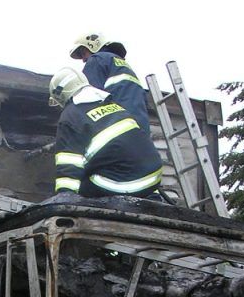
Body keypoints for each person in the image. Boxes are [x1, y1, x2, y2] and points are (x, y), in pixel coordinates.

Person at [49, 66, 162, 199]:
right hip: (153, 178)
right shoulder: (112, 104)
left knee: (82, 187)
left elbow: (68, 163)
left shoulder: (70, 116)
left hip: (124, 184)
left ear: (60, 94)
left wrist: (64, 198)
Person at [69, 32, 151, 134]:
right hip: (141, 128)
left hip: (118, 126)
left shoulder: (96, 60)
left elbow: (89, 96)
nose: (84, 60)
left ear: (93, 46)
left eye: (83, 54)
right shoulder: (121, 65)